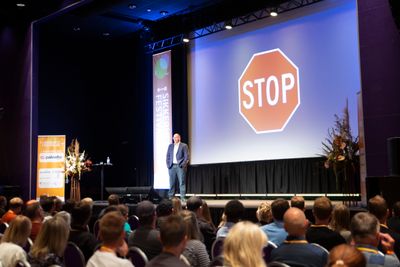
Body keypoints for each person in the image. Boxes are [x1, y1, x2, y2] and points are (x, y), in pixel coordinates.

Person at [166, 133, 189, 201]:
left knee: (182, 182)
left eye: (177, 137)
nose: (175, 138)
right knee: (171, 182)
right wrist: (168, 164)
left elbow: (186, 157)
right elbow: (168, 156)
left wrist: (183, 165)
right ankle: (171, 197)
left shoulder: (184, 145)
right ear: (173, 138)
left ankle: (182, 197)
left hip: (180, 166)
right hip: (171, 166)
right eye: (174, 137)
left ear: (179, 138)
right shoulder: (170, 146)